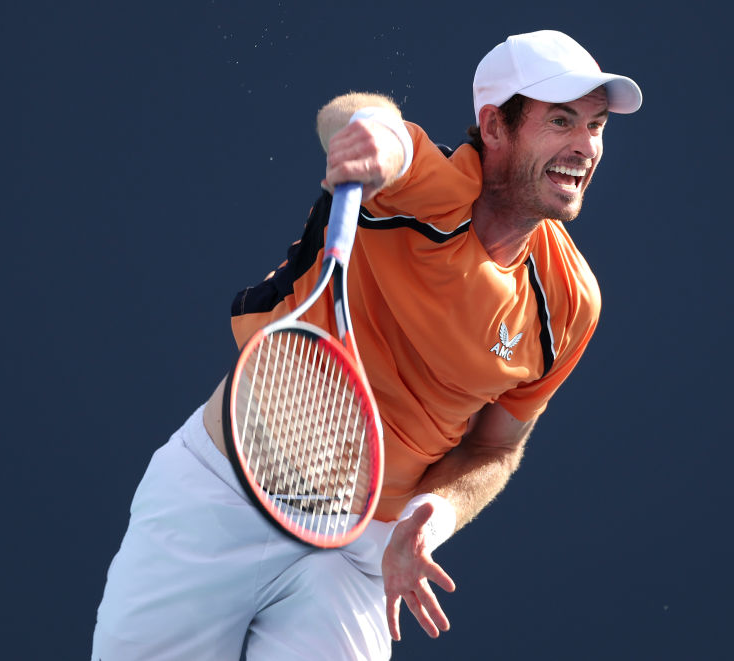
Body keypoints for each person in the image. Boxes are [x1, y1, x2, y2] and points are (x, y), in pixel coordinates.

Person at [92, 29, 642, 660]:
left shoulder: (569, 302)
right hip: (221, 497)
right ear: (494, 127)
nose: (585, 146)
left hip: (358, 556)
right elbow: (365, 121)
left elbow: (497, 445)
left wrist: (434, 514)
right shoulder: (423, 188)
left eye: (596, 126)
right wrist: (368, 141)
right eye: (561, 121)